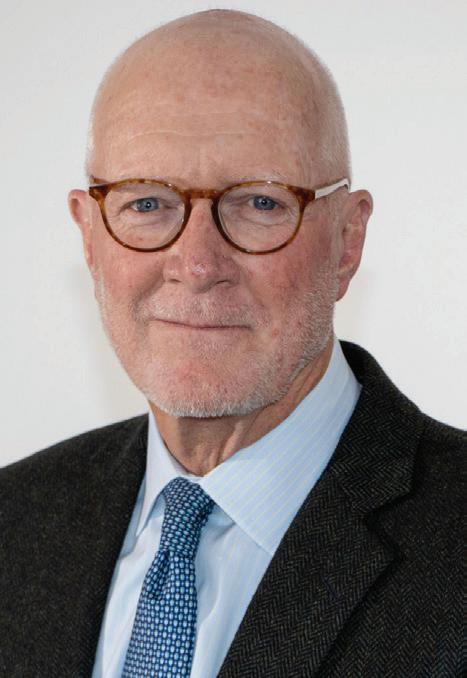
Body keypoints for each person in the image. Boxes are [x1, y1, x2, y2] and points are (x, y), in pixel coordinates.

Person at [0, 9, 464, 678]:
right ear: (89, 238)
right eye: (146, 203)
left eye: (259, 203)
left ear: (347, 240)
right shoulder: (15, 521)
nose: (196, 264)